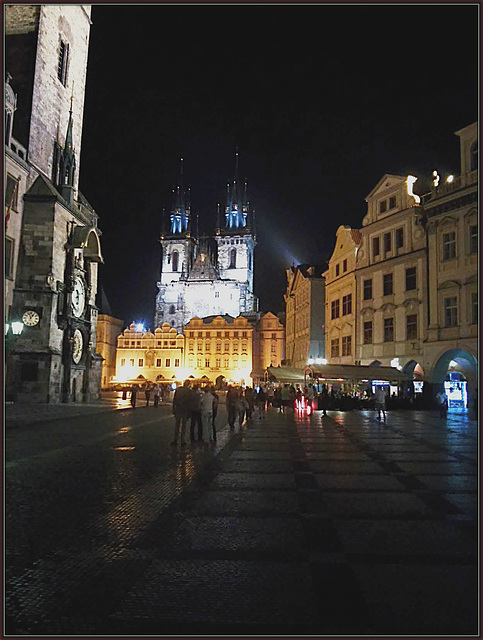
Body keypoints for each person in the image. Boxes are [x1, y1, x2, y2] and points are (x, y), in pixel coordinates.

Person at [172, 380, 192, 446]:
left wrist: (173, 409)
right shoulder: (189, 391)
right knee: (184, 426)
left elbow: (174, 400)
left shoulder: (178, 390)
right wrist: (190, 412)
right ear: (188, 384)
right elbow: (189, 402)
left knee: (177, 425)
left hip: (178, 409)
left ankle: (175, 440)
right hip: (185, 410)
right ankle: (182, 440)